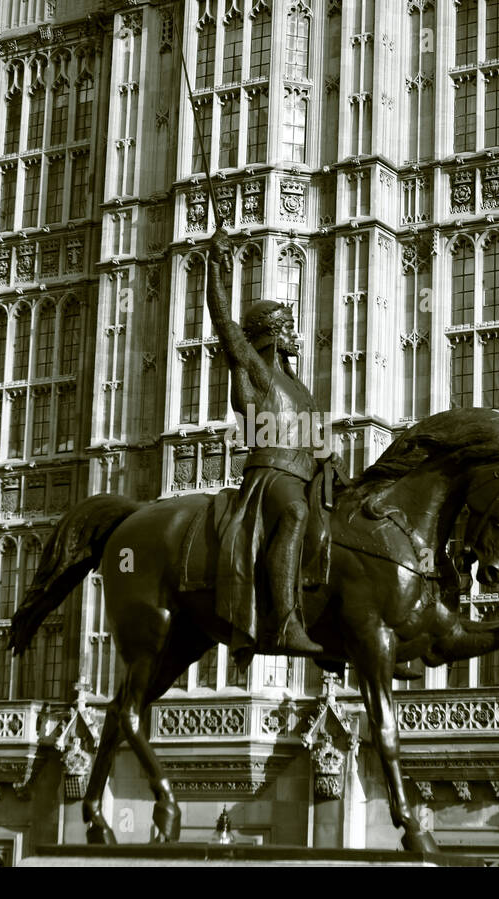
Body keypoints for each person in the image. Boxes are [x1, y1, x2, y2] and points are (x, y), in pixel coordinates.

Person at [206, 224, 329, 658]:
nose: (298, 335)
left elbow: (319, 441)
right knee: (295, 514)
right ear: (274, 333)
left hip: (306, 474)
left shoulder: (300, 388)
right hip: (271, 476)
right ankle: (284, 624)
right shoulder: (259, 372)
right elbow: (224, 323)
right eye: (290, 326)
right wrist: (214, 265)